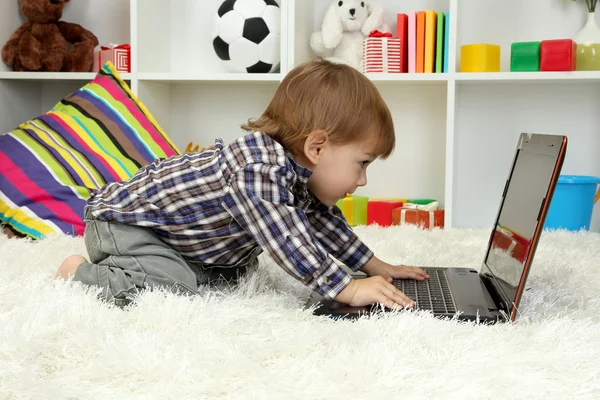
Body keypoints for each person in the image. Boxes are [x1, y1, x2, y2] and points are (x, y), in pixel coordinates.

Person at [55, 57, 429, 309]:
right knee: (175, 286)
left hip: (180, 238)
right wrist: (346, 288)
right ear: (316, 146)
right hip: (126, 225)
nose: (363, 180)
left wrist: (374, 265)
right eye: (362, 163)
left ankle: (177, 263)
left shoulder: (297, 173)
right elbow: (289, 240)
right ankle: (79, 272)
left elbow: (321, 222)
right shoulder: (257, 170)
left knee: (234, 271)